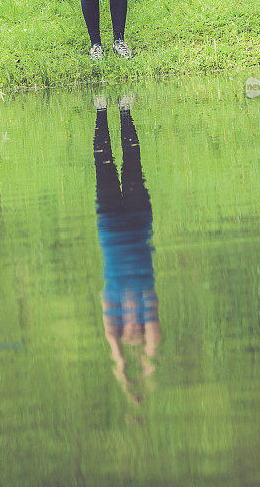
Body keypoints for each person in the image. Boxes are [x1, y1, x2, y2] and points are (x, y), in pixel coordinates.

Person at [93, 95, 160, 404]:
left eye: (129, 331)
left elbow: (112, 343)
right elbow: (153, 341)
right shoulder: (148, 305)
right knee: (132, 163)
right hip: (137, 221)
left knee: (103, 164)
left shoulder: (114, 310)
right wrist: (145, 374)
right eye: (139, 330)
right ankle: (124, 110)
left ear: (123, 328)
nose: (134, 327)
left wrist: (123, 371)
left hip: (110, 227)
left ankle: (103, 110)